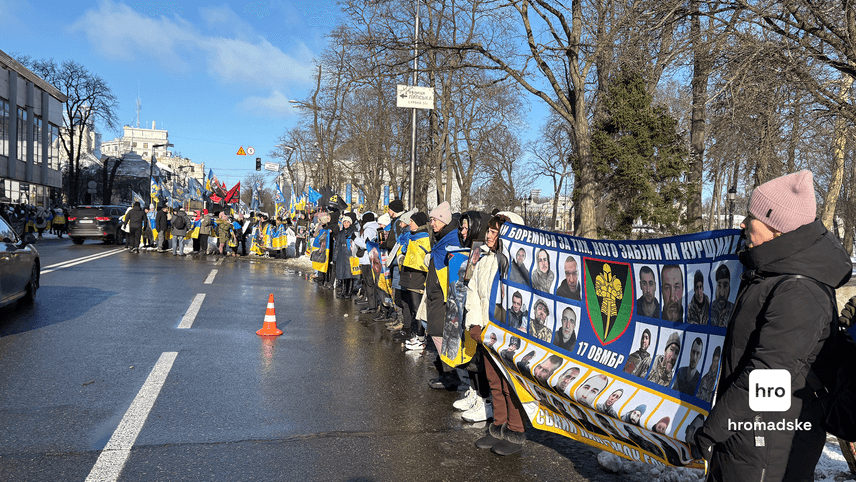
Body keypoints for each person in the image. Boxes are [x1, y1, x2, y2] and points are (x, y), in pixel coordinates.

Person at [690, 170, 851, 482]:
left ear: (777, 229)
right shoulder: (771, 272)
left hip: (768, 441)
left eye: (751, 216)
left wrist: (712, 431)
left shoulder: (798, 290)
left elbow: (767, 375)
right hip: (748, 431)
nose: (742, 224)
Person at [466, 211, 528, 456]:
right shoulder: (485, 259)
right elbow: (473, 292)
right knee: (494, 381)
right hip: (486, 333)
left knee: (510, 383)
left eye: (495, 232)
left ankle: (516, 430)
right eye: (489, 231)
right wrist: (474, 323)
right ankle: (499, 426)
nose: (488, 236)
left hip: (508, 336)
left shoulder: (516, 265)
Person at [425, 202, 462, 390]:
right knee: (436, 332)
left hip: (443, 296)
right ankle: (445, 371)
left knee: (440, 333)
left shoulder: (452, 239)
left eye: (434, 220)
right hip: (435, 294)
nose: (432, 224)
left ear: (443, 221)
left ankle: (450, 376)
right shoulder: (442, 237)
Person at [334, 212, 359, 299]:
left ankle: (349, 292)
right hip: (341, 254)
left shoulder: (354, 232)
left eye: (347, 222)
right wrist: (334, 257)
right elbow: (336, 245)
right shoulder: (340, 233)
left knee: (350, 275)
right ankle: (343, 290)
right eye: (344, 222)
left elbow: (356, 244)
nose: (346, 224)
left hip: (350, 255)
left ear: (350, 223)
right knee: (342, 274)